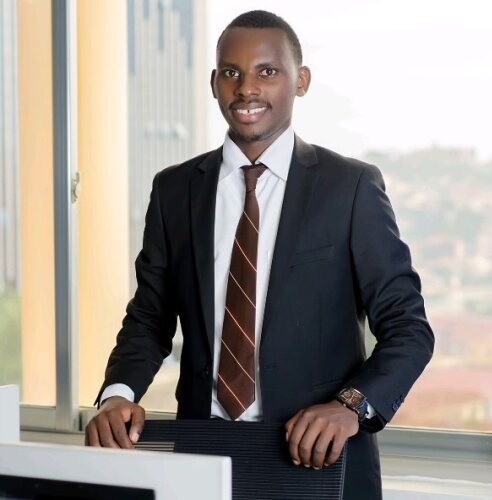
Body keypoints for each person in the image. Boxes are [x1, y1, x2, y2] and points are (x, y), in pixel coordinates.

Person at [85, 10, 434, 498]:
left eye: (267, 71)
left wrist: (351, 406)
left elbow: (408, 329)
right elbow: (149, 318)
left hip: (319, 461)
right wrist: (117, 395)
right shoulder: (174, 190)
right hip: (201, 457)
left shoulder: (350, 187)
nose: (246, 88)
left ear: (301, 80)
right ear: (214, 83)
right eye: (231, 72)